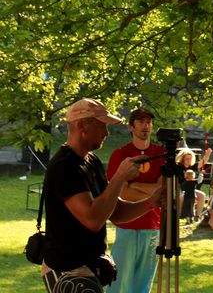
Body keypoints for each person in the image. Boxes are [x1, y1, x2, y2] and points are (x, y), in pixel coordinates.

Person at [42, 98, 163, 293]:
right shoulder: (65, 166)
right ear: (82, 125)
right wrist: (120, 177)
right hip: (68, 270)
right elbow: (93, 219)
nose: (107, 133)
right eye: (102, 126)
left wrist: (150, 202)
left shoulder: (91, 161)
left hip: (87, 268)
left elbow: (114, 210)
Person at [106, 107, 164, 293]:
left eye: (148, 122)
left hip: (153, 227)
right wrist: (150, 192)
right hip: (127, 227)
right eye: (140, 122)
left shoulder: (162, 154)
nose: (145, 126)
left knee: (143, 285)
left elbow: (162, 191)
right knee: (118, 282)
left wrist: (134, 185)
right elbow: (122, 193)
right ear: (131, 127)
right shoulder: (121, 155)